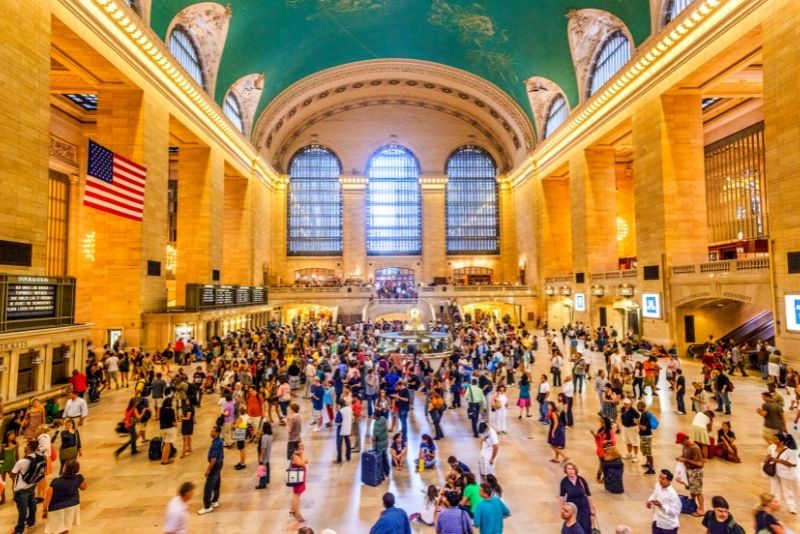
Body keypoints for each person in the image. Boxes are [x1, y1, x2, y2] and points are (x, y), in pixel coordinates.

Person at [43, 458, 86, 534]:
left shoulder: (56, 481)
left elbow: (47, 498)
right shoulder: (78, 478)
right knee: (65, 527)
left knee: (56, 530)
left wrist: (44, 510)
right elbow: (84, 487)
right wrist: (79, 475)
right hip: (73, 505)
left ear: (64, 468)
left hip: (57, 509)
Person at [11, 441, 42, 534]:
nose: (24, 447)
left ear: (29, 448)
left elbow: (12, 474)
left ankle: (19, 530)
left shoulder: (22, 462)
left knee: (22, 509)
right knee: (32, 504)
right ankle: (31, 522)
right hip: (32, 485)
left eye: (26, 446)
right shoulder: (38, 457)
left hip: (21, 488)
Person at [764, 433, 798, 514]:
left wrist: (778, 460)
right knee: (774, 489)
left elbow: (794, 464)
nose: (773, 440)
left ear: (782, 442)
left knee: (788, 490)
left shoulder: (789, 451)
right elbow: (768, 455)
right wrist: (767, 459)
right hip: (774, 471)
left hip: (785, 473)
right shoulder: (771, 447)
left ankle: (792, 507)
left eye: (776, 439)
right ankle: (774, 505)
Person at [559, 462, 595, 534]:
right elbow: (562, 497)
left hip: (584, 506)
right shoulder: (564, 482)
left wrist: (592, 508)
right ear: (566, 470)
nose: (570, 471)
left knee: (586, 526)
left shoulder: (581, 480)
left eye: (572, 469)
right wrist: (562, 508)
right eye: (568, 469)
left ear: (575, 470)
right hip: (573, 508)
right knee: (576, 527)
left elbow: (588, 495)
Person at [675, 432, 705, 517]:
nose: (681, 444)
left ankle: (702, 510)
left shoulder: (695, 448)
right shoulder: (685, 446)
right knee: (692, 489)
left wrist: (685, 460)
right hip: (688, 471)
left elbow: (700, 464)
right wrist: (680, 457)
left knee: (698, 490)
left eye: (681, 442)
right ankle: (692, 503)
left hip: (696, 472)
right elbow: (684, 455)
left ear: (685, 439)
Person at [198, 425, 224, 515]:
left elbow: (213, 459)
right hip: (219, 464)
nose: (210, 433)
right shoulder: (219, 441)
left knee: (208, 487)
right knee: (217, 482)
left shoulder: (216, 443)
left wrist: (208, 470)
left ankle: (207, 506)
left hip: (215, 465)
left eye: (212, 431)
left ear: (217, 433)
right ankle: (215, 500)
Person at [647, 469, 682, 534]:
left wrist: (662, 505)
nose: (660, 480)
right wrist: (650, 501)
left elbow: (675, 512)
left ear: (669, 481)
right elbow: (654, 495)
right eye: (659, 477)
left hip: (668, 526)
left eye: (663, 478)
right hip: (657, 521)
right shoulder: (658, 485)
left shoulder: (673, 494)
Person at [289, 440, 309, 523]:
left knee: (298, 494)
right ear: (297, 446)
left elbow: (307, 460)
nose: (303, 446)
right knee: (296, 494)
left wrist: (303, 457)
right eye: (301, 445)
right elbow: (302, 463)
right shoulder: (296, 455)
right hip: (297, 477)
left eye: (303, 445)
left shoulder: (299, 454)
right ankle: (297, 513)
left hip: (301, 476)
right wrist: (302, 455)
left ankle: (293, 509)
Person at [620, 398, 640, 462]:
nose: (625, 405)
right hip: (625, 427)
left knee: (634, 442)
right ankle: (629, 454)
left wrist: (636, 422)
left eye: (626, 404)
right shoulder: (622, 409)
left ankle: (636, 456)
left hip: (632, 428)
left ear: (630, 404)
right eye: (624, 403)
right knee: (627, 441)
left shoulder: (634, 411)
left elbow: (638, 417)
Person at [159, 396, 178, 465]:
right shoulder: (171, 410)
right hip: (170, 429)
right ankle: (166, 460)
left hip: (162, 429)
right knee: (168, 445)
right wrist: (177, 426)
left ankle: (162, 459)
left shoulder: (161, 409)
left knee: (165, 444)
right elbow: (173, 422)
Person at [334, 398, 353, 464]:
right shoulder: (349, 408)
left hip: (341, 429)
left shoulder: (341, 411)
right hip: (348, 428)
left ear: (339, 404)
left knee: (339, 444)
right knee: (348, 443)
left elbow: (337, 422)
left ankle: (339, 458)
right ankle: (348, 456)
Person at [255, 421, 273, 489]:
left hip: (264, 455)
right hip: (267, 455)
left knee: (261, 468)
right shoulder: (270, 436)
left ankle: (262, 483)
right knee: (267, 466)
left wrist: (261, 457)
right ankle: (267, 479)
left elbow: (263, 448)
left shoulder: (264, 437)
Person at [372, 414, 390, 479]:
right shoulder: (383, 418)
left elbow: (376, 435)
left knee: (380, 460)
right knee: (385, 458)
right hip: (385, 442)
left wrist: (373, 446)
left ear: (376, 416)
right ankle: (387, 472)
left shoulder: (376, 423)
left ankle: (381, 474)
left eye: (373, 416)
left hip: (379, 445)